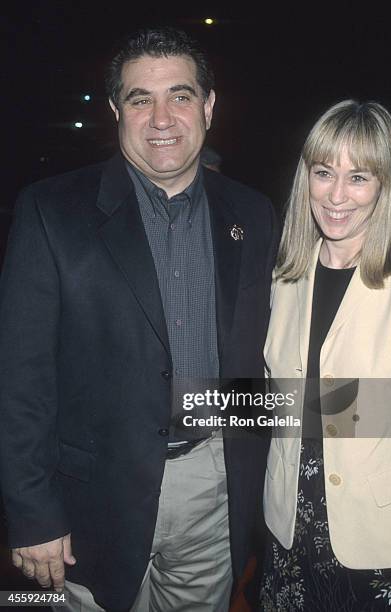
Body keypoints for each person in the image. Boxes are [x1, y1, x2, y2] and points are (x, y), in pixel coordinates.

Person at [0, 27, 279, 612]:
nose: (161, 118)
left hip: (215, 484)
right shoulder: (49, 212)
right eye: (139, 99)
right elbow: (19, 379)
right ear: (114, 111)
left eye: (179, 96)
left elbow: (257, 358)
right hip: (88, 501)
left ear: (208, 106)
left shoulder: (253, 214)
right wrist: (31, 511)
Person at [261, 100, 391, 611]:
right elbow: (286, 404)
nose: (335, 196)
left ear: (384, 186)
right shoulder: (287, 276)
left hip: (381, 543)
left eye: (359, 178)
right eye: (324, 172)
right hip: (288, 528)